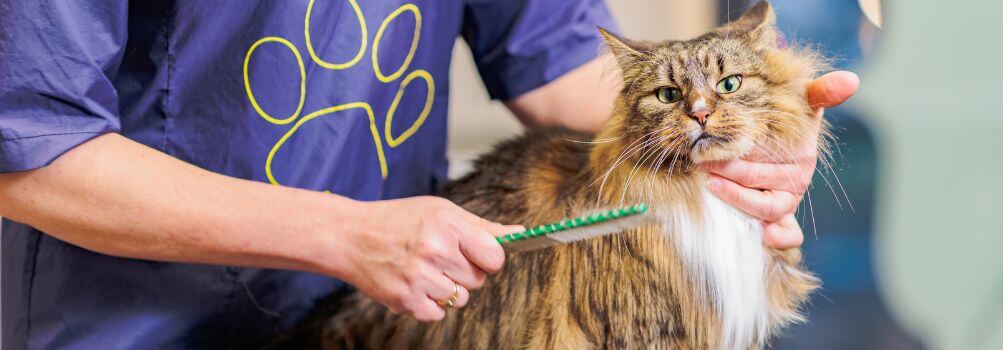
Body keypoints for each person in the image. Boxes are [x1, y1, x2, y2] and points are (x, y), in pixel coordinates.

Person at [0, 1, 858, 348]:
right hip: (124, 326)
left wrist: (745, 144)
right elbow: (31, 150)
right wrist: (344, 234)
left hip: (379, 323)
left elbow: (563, 72)